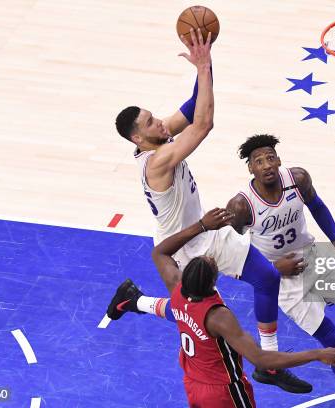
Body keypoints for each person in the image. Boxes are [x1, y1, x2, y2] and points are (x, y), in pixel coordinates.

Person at [111, 28, 310, 392]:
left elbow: (191, 106)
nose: (161, 122)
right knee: (196, 317)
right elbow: (203, 124)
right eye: (152, 122)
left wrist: (205, 61)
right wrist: (202, 68)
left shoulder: (158, 135)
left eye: (155, 117)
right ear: (139, 139)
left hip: (207, 230)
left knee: (266, 278)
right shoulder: (157, 162)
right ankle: (135, 300)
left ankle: (268, 363)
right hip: (181, 247)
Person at [111, 209, 335, 408]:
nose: (213, 258)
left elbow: (159, 252)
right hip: (224, 392)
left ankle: (133, 301)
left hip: (193, 385)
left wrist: (202, 226)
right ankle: (133, 301)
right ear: (213, 282)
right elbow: (261, 359)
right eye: (212, 263)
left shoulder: (177, 291)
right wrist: (317, 354)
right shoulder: (219, 317)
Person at [225, 134, 335, 402]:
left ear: (279, 161)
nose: (266, 165)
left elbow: (318, 207)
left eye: (270, 158)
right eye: (258, 161)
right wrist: (274, 269)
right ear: (250, 168)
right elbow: (230, 251)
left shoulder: (297, 179)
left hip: (312, 259)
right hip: (284, 281)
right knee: (334, 344)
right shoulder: (241, 205)